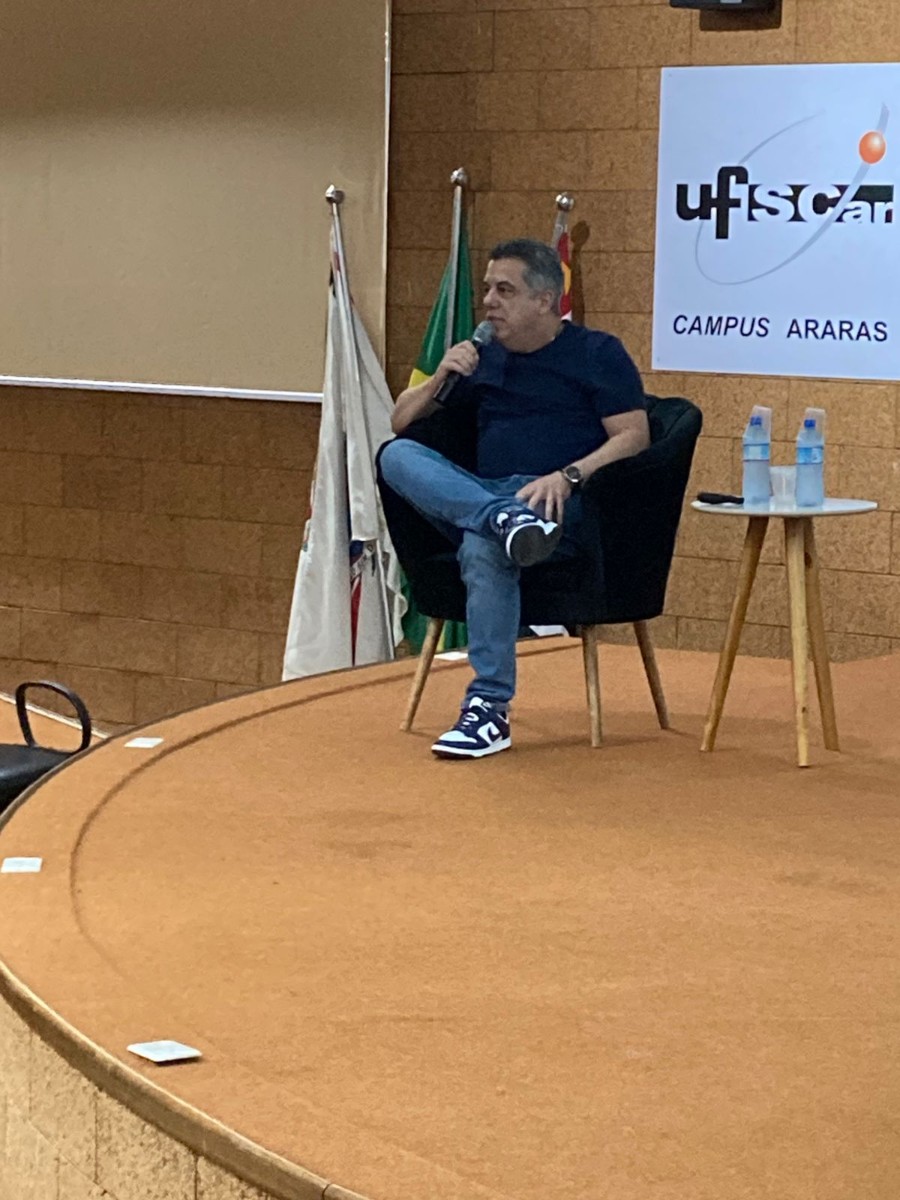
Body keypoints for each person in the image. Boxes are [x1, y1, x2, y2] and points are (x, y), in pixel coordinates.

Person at [379, 238, 649, 760]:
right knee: (396, 455)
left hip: (553, 504)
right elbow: (400, 420)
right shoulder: (481, 356)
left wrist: (569, 475)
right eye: (487, 289)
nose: (488, 302)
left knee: (483, 546)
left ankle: (487, 710)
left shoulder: (597, 353)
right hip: (484, 495)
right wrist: (441, 376)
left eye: (504, 290)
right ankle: (498, 517)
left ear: (545, 300)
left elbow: (634, 436)